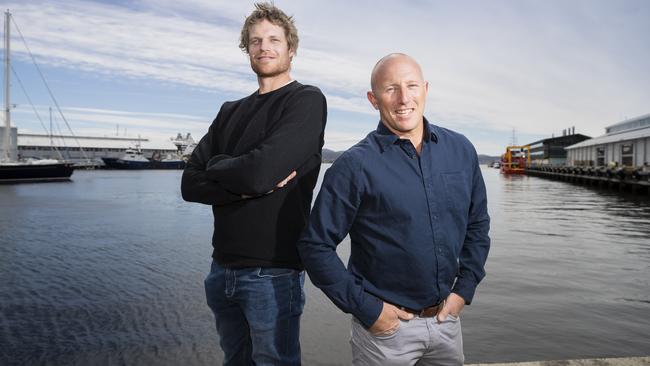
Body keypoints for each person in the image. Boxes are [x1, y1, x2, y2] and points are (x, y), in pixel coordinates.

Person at [297, 53, 490, 366]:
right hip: (386, 334)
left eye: (412, 86)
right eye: (391, 89)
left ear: (425, 89)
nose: (404, 99)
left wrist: (464, 289)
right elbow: (315, 246)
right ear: (373, 100)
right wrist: (368, 310)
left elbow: (478, 225)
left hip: (447, 322)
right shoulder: (354, 166)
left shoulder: (461, 150)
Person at [180, 3, 327, 365]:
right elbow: (189, 184)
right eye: (256, 40)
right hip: (221, 269)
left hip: (273, 271)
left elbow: (259, 173)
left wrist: (219, 169)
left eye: (274, 40)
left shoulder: (306, 100)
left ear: (291, 49)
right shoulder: (230, 110)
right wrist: (239, 179)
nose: (264, 47)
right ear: (247, 48)